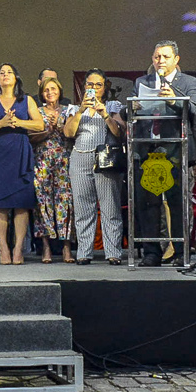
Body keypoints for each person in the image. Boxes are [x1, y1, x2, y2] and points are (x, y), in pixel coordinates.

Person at [131, 42, 196, 267]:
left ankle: (180, 251)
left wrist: (174, 101)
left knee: (176, 202)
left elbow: (195, 111)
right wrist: (134, 107)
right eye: (157, 56)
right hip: (147, 149)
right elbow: (125, 110)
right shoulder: (142, 82)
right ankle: (151, 253)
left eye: (166, 57)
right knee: (148, 204)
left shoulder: (188, 82)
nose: (161, 60)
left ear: (176, 59)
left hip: (174, 150)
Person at [0, 63, 43, 264]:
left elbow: (39, 124)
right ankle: (3, 248)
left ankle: (18, 249)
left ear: (16, 78)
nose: (5, 75)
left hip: (20, 153)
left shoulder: (27, 100)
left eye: (10, 72)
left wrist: (19, 123)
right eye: (2, 73)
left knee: (21, 204)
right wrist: (3, 122)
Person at [64, 71, 126, 265]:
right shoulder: (74, 108)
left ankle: (113, 252)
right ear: (84, 87)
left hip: (105, 160)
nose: (93, 89)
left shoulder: (112, 106)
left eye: (98, 85)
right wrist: (81, 110)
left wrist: (105, 114)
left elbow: (119, 133)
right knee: (83, 208)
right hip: (80, 158)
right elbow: (68, 132)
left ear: (104, 87)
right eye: (90, 85)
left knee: (110, 207)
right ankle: (84, 252)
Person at [31, 75, 75, 263]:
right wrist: (47, 131)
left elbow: (73, 134)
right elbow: (30, 137)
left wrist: (61, 127)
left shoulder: (68, 110)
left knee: (65, 202)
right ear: (42, 93)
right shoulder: (37, 111)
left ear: (59, 91)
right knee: (43, 203)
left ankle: (66, 248)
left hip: (64, 161)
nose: (50, 93)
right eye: (46, 90)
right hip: (42, 161)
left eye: (53, 89)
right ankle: (46, 248)